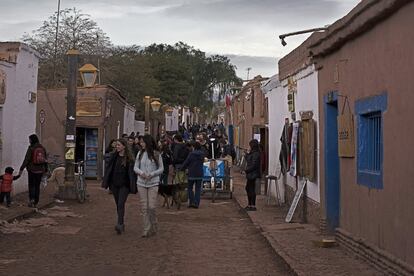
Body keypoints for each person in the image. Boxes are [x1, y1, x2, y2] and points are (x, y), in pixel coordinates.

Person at [102, 139, 137, 234]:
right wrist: (107, 182)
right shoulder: (114, 156)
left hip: (124, 185)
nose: (117, 147)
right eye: (116, 145)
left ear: (124, 146)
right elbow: (109, 167)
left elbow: (132, 173)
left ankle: (120, 224)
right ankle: (121, 221)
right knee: (118, 204)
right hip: (114, 184)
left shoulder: (129, 159)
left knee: (121, 203)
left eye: (118, 145)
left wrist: (133, 185)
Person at [134, 134, 164, 237]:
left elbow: (161, 168)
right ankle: (146, 229)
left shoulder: (156, 154)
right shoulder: (140, 153)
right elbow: (135, 167)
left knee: (151, 206)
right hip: (141, 183)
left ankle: (154, 224)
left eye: (143, 142)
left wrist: (152, 174)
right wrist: (141, 173)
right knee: (144, 207)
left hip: (153, 182)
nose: (141, 144)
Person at [19, 134, 48, 208]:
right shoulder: (42, 148)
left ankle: (31, 200)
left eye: (30, 139)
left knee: (31, 185)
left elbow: (27, 159)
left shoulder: (31, 148)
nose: (29, 141)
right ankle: (36, 201)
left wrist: (21, 168)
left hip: (32, 170)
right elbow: (45, 160)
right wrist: (45, 169)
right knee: (37, 186)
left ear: (32, 140)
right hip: (40, 170)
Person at [180, 141, 205, 208]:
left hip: (192, 173)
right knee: (198, 189)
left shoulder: (191, 154)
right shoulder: (202, 154)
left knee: (190, 188)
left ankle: (192, 202)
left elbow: (186, 162)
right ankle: (196, 203)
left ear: (193, 147)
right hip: (199, 173)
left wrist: (181, 169)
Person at [244, 139, 261, 211]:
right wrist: (247, 154)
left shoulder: (256, 154)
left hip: (253, 173)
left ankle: (252, 205)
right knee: (248, 188)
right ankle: (250, 204)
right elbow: (248, 160)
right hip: (251, 173)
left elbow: (254, 164)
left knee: (251, 189)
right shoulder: (253, 153)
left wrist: (247, 170)